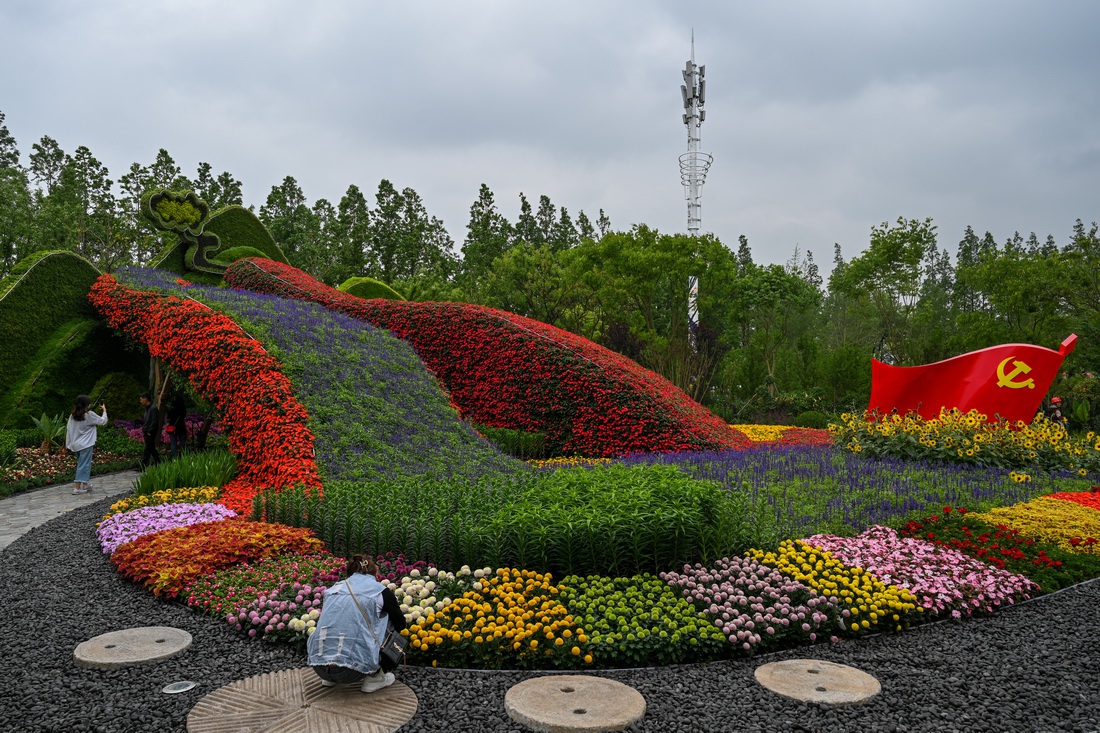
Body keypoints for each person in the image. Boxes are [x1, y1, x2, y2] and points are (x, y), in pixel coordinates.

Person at [307, 554, 406, 693]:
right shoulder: (380, 592)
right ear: (374, 572)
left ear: (349, 572)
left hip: (319, 667)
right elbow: (401, 624)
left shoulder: (332, 590)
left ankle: (330, 677)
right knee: (388, 619)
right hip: (353, 672)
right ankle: (374, 677)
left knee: (338, 620)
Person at [65, 395, 107, 495]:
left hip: (76, 444)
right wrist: (104, 411)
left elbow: (69, 429)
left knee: (83, 463)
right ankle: (77, 487)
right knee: (83, 465)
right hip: (86, 444)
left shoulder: (73, 415)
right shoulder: (89, 415)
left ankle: (85, 483)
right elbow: (103, 421)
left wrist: (69, 443)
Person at [139, 392, 161, 468]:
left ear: (146, 399)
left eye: (141, 399)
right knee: (151, 448)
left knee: (147, 449)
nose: (141, 401)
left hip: (150, 432)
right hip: (147, 430)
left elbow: (155, 421)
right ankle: (158, 462)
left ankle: (143, 465)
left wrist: (150, 431)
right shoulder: (147, 408)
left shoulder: (153, 408)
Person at [166, 393, 188, 458]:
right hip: (181, 427)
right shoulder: (182, 409)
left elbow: (168, 417)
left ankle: (175, 458)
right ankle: (186, 457)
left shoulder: (171, 409)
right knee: (183, 443)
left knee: (173, 444)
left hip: (172, 427)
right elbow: (183, 415)